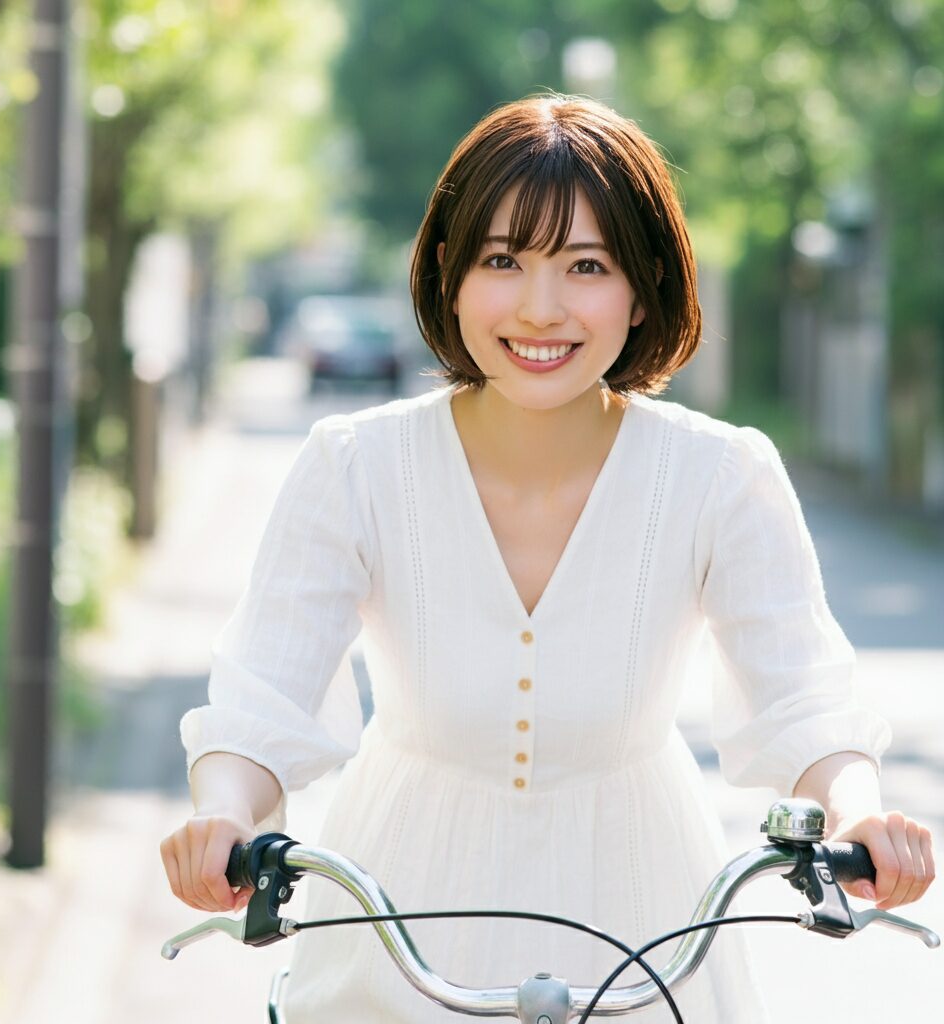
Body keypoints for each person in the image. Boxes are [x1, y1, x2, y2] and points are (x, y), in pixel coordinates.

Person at [160, 95, 935, 1021]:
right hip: (400, 904)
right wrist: (224, 814)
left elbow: (804, 696)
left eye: (586, 265)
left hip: (645, 915)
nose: (541, 307)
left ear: (644, 285)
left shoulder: (722, 473)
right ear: (449, 272)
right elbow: (264, 696)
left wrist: (855, 816)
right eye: (503, 260)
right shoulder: (354, 465)